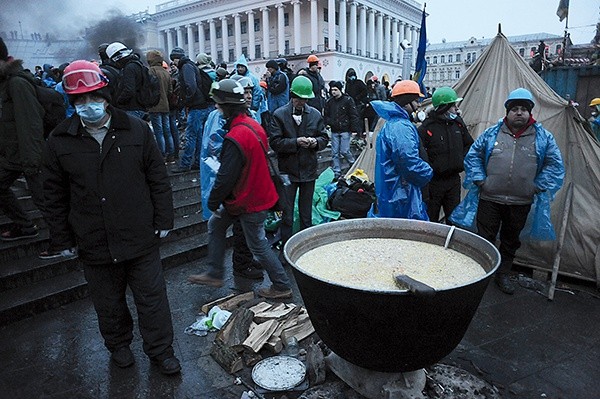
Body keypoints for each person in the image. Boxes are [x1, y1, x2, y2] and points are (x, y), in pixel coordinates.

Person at [42, 60, 181, 374]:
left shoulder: (136, 129)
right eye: (81, 100)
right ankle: (118, 346)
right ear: (72, 103)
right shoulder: (60, 140)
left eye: (94, 98)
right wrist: (62, 236)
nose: (89, 106)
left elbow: (158, 178)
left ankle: (161, 352)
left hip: (139, 236)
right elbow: (53, 194)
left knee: (153, 300)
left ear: (106, 96)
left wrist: (164, 220)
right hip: (94, 239)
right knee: (108, 303)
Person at [450, 88, 565, 295]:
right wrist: (479, 179)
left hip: (520, 201)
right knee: (485, 238)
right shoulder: (492, 134)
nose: (519, 113)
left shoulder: (543, 138)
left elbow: (554, 164)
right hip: (490, 198)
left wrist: (538, 185)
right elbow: (474, 155)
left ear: (530, 113)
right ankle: (480, 273)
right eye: (515, 109)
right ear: (508, 112)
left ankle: (502, 274)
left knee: (511, 240)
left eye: (523, 109)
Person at [188, 79, 293, 299]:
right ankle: (215, 272)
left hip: (249, 200)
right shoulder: (252, 125)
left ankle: (282, 285)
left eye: (218, 104)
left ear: (225, 106)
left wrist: (213, 200)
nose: (216, 107)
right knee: (216, 224)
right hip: (250, 194)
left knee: (258, 244)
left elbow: (226, 177)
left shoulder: (236, 136)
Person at [200, 76, 264, 280]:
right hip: (229, 178)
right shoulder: (218, 117)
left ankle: (239, 262)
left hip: (243, 178)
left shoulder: (250, 114)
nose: (248, 96)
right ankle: (239, 265)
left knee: (243, 228)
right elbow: (215, 147)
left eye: (250, 92)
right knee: (236, 226)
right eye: (244, 92)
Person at [270, 76, 329, 247]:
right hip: (288, 172)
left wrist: (315, 142)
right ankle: (286, 248)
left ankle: (306, 248)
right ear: (292, 95)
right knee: (287, 214)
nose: (301, 102)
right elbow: (275, 143)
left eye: (305, 99)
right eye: (299, 98)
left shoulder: (315, 114)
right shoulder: (279, 115)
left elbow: (324, 137)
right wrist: (295, 142)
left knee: (306, 215)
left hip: (308, 171)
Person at [0, 38, 48, 245]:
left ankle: (65, 242)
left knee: (45, 201)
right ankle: (26, 226)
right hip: (12, 155)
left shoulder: (17, 83)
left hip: (28, 155)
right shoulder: (5, 83)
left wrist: (32, 162)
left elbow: (30, 125)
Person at [369, 80, 433, 220]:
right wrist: (427, 173)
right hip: (401, 193)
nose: (418, 105)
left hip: (394, 190)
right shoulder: (401, 127)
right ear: (406, 102)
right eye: (416, 101)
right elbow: (407, 160)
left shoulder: (394, 124)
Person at [418, 87, 473, 223]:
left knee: (453, 220)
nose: (456, 108)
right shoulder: (427, 127)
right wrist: (430, 167)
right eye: (453, 105)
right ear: (444, 107)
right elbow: (419, 152)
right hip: (433, 182)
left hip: (453, 180)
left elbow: (469, 144)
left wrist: (462, 158)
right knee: (431, 220)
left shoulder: (458, 124)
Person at [170, 48, 215, 173]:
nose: (173, 62)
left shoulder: (186, 67)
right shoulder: (190, 65)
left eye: (173, 59)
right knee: (198, 135)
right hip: (201, 105)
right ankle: (197, 162)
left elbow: (191, 86)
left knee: (191, 135)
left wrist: (186, 101)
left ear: (177, 58)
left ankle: (185, 164)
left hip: (196, 106)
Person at [323, 80, 361, 179]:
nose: (333, 92)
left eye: (335, 90)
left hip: (345, 129)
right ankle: (337, 171)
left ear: (340, 90)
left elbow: (353, 115)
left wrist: (354, 129)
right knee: (334, 153)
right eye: (332, 90)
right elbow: (326, 115)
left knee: (344, 150)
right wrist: (329, 122)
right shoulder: (330, 102)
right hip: (335, 129)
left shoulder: (348, 100)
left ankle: (352, 163)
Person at [105, 42, 147, 119]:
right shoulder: (137, 64)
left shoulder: (129, 68)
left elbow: (129, 90)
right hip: (140, 106)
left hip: (132, 107)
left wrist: (119, 101)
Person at [146, 50, 175, 163]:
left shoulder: (151, 71)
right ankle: (171, 155)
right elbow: (170, 91)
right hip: (166, 106)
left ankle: (162, 155)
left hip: (154, 106)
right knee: (167, 131)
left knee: (159, 132)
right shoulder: (165, 72)